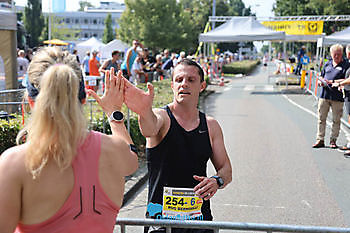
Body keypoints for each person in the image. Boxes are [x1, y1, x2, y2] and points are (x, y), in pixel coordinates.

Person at [0, 47, 138, 233]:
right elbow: (132, 158)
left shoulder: (14, 164)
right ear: (83, 100)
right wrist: (114, 112)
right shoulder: (115, 151)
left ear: (30, 103)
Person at [123, 58, 232, 233]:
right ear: (172, 85)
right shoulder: (162, 117)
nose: (184, 84)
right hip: (161, 223)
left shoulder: (211, 126)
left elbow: (226, 169)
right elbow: (149, 129)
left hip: (199, 221)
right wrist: (143, 111)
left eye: (191, 80)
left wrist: (216, 181)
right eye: (179, 80)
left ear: (202, 86)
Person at [312, 44, 350, 149]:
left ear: (342, 54)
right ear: (331, 54)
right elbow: (322, 75)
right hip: (324, 95)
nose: (336, 56)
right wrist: (321, 81)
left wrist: (333, 81)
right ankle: (320, 139)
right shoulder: (327, 64)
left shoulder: (346, 65)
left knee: (336, 120)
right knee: (321, 118)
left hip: (337, 97)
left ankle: (333, 140)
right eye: (334, 54)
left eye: (339, 54)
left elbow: (346, 79)